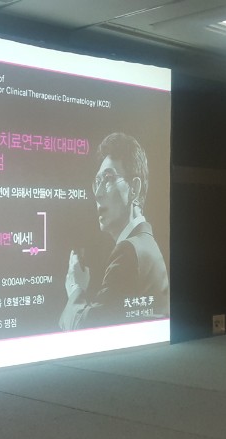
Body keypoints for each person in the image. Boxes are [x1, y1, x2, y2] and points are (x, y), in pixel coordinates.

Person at [59, 132, 169, 330]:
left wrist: (75, 288)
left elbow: (88, 331)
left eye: (108, 179)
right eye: (97, 182)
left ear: (134, 188)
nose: (98, 193)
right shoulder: (145, 243)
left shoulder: (128, 251)